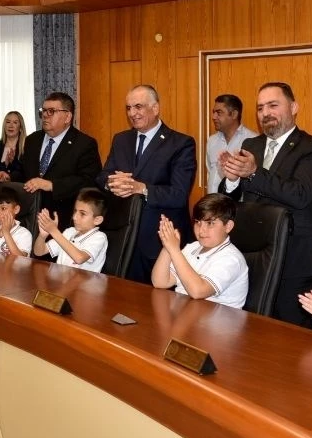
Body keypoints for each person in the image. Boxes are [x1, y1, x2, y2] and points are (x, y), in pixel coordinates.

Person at [219, 82, 312, 327]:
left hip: (296, 261)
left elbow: (300, 194)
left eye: (273, 105)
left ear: (293, 107)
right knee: (254, 331)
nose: (265, 113)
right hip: (254, 256)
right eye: (260, 108)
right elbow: (233, 200)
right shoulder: (251, 146)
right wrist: (231, 180)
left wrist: (254, 173)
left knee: (296, 338)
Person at [97, 85, 196, 284]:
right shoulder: (121, 139)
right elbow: (102, 176)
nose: (132, 113)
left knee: (159, 301)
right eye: (128, 108)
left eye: (138, 107)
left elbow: (178, 194)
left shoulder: (180, 143)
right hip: (123, 237)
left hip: (158, 241)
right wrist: (112, 183)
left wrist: (141, 188)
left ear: (155, 108)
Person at [12, 92, 100, 231]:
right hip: (29, 218)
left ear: (67, 117)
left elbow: (88, 181)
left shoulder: (84, 144)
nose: (45, 115)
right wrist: (7, 176)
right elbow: (22, 172)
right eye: (43, 111)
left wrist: (52, 185)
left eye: (51, 111)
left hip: (63, 220)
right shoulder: (32, 140)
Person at [151, 193, 248, 309]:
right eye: (198, 222)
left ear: (228, 226)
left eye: (210, 223)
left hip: (216, 318)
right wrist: (167, 247)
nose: (201, 230)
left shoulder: (231, 259)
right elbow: (160, 282)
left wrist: (174, 250)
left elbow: (198, 292)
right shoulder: (192, 247)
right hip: (185, 312)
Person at [33, 187, 109, 273]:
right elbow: (39, 252)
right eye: (75, 211)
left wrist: (54, 231)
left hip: (83, 282)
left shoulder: (99, 237)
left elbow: (79, 258)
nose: (74, 217)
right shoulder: (69, 232)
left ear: (97, 220)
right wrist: (42, 236)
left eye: (82, 214)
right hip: (60, 279)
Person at [206, 94, 256, 193]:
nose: (213, 117)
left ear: (234, 114)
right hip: (212, 201)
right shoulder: (211, 141)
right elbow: (210, 172)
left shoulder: (253, 140)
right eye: (213, 112)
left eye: (219, 113)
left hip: (237, 202)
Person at [0, 111, 26, 182]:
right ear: (4, 126)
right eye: (8, 122)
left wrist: (12, 163)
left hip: (18, 187)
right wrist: (5, 164)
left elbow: (25, 172)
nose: (11, 125)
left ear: (20, 128)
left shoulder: (27, 146)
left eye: (15, 122)